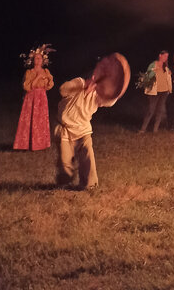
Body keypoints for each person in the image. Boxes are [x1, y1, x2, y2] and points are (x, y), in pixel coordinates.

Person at [55, 53, 130, 190]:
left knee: (88, 159)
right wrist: (83, 88)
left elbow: (109, 102)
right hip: (65, 130)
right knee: (65, 164)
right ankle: (65, 179)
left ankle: (90, 185)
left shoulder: (99, 95)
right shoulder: (79, 83)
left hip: (83, 130)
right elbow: (62, 90)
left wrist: (116, 90)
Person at [13, 43, 54, 151]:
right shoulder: (29, 72)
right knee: (30, 120)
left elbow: (50, 84)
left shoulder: (46, 71)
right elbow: (26, 86)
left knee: (40, 120)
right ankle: (27, 144)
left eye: (40, 58)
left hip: (41, 97)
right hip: (31, 97)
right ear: (33, 60)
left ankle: (40, 144)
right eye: (36, 58)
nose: (38, 60)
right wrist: (37, 78)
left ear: (43, 60)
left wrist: (44, 81)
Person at [139, 49, 172, 133]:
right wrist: (154, 71)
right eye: (164, 56)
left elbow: (168, 79)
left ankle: (155, 129)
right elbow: (148, 76)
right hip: (155, 92)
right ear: (160, 55)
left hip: (164, 91)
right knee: (151, 109)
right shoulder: (153, 65)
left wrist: (169, 89)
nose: (165, 58)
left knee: (160, 110)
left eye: (167, 57)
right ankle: (143, 129)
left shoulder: (166, 67)